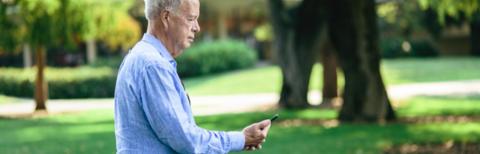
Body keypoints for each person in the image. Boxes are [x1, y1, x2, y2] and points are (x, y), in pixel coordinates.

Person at [114, 0, 271, 153]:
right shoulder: (153, 66)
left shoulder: (142, 58)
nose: (197, 27)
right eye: (191, 19)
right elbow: (187, 141)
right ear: (166, 17)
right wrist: (241, 139)